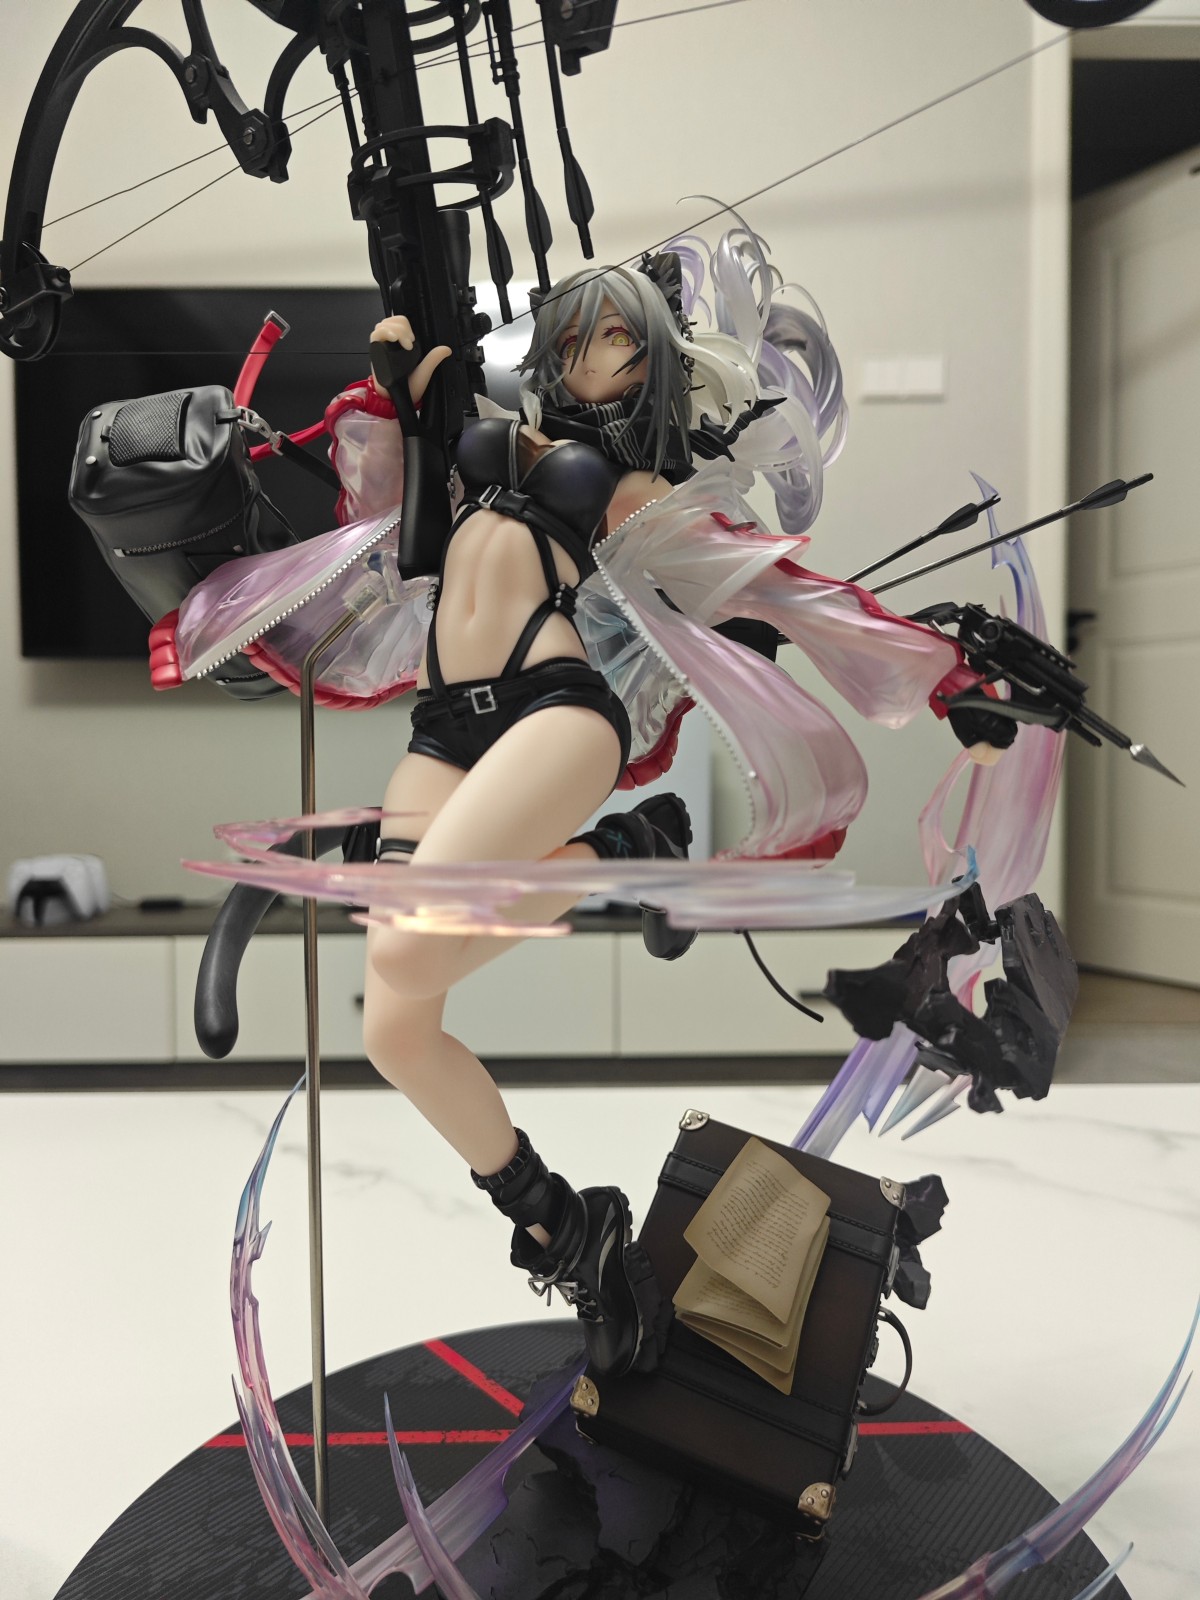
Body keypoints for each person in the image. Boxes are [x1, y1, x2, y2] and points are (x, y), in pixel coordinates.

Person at [154, 226, 1011, 1376]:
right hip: (446, 728)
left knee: (405, 937)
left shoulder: (625, 482)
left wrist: (944, 673)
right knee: (394, 1025)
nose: (594, 351)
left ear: (651, 359)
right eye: (579, 334)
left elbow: (770, 585)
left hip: (552, 710)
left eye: (620, 337)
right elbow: (410, 534)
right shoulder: (482, 422)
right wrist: (404, 387)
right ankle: (567, 1226)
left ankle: (616, 844)